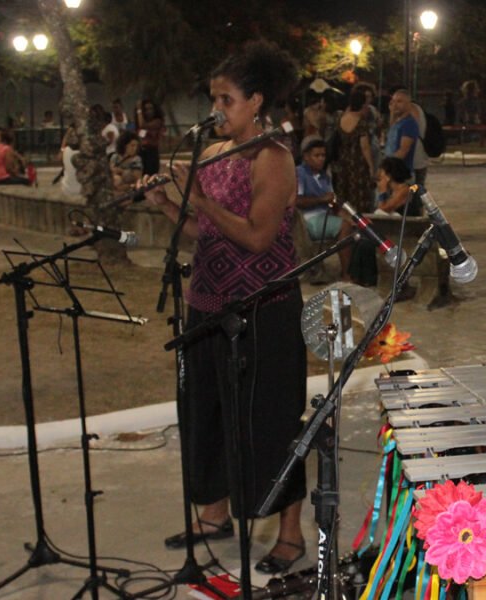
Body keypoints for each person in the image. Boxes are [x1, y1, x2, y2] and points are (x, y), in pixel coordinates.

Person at [140, 40, 306, 575]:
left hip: (263, 308)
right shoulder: (211, 155)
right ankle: (213, 514)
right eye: (213, 98)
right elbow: (202, 234)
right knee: (204, 412)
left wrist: (203, 201)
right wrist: (168, 204)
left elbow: (257, 237)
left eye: (226, 99)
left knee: (269, 418)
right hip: (208, 303)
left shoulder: (274, 158)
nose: (216, 109)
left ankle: (290, 534)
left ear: (256, 101)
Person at [337, 157, 415, 284]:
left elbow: (384, 208)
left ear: (389, 176)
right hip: (393, 229)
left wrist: (382, 192)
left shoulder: (404, 190)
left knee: (366, 242)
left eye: (382, 174)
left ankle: (366, 277)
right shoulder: (394, 191)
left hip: (404, 233)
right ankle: (358, 277)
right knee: (360, 238)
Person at [333, 88, 376, 214]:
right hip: (357, 163)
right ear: (363, 104)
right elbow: (365, 147)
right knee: (358, 195)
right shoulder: (361, 122)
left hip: (342, 161)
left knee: (344, 193)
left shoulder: (341, 118)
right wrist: (371, 167)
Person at [295, 138, 340, 240]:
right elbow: (297, 200)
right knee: (344, 226)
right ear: (306, 157)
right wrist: (322, 199)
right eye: (317, 156)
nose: (321, 159)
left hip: (326, 217)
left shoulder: (325, 177)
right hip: (309, 220)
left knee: (357, 227)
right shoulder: (300, 173)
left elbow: (332, 201)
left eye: (323, 155)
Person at [384, 89, 421, 177]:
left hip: (401, 174)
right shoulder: (398, 122)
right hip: (392, 172)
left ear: (408, 104)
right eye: (393, 101)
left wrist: (385, 165)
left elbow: (403, 150)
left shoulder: (409, 124)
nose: (395, 105)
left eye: (399, 102)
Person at [135, 98, 165, 175]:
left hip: (152, 152)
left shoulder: (157, 121)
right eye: (145, 109)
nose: (149, 111)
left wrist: (139, 110)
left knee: (151, 176)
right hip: (142, 152)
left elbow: (142, 125)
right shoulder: (142, 124)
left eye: (151, 109)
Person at [59, 126, 82, 197]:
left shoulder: (65, 151)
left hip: (66, 189)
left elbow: (60, 156)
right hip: (81, 190)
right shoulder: (85, 152)